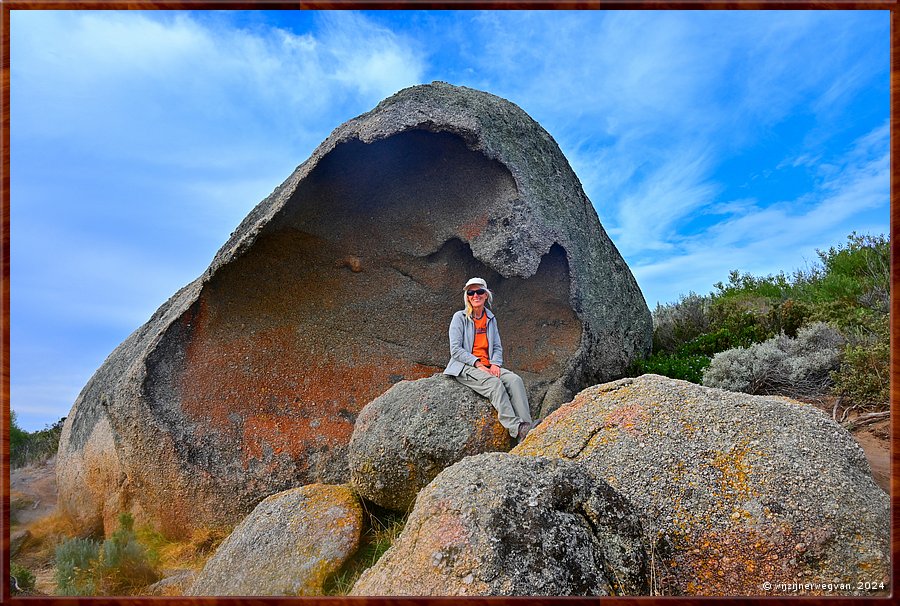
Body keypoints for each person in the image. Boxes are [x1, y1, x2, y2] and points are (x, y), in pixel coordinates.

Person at [443, 277, 538, 442]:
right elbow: (455, 350)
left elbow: (497, 346)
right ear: (467, 296)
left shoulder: (490, 319)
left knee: (515, 380)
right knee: (495, 385)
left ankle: (527, 429)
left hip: (488, 364)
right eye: (471, 292)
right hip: (465, 367)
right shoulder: (459, 317)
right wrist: (478, 364)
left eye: (479, 291)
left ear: (486, 295)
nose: (475, 295)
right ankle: (516, 428)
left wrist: (495, 364)